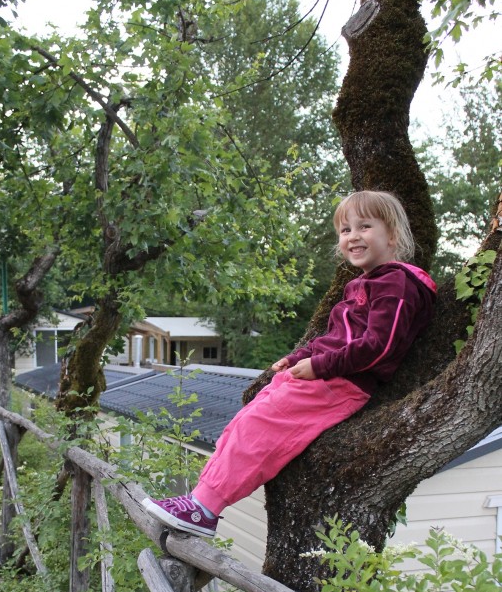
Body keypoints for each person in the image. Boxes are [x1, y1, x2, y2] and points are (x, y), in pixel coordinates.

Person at [143, 190, 437, 538]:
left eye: (364, 226)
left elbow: (378, 347)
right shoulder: (361, 284)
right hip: (325, 376)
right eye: (345, 230)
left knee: (260, 431)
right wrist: (297, 358)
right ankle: (198, 499)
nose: (353, 236)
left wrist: (318, 366)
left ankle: (206, 509)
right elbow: (332, 336)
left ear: (392, 235)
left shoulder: (396, 281)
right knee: (245, 422)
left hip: (342, 383)